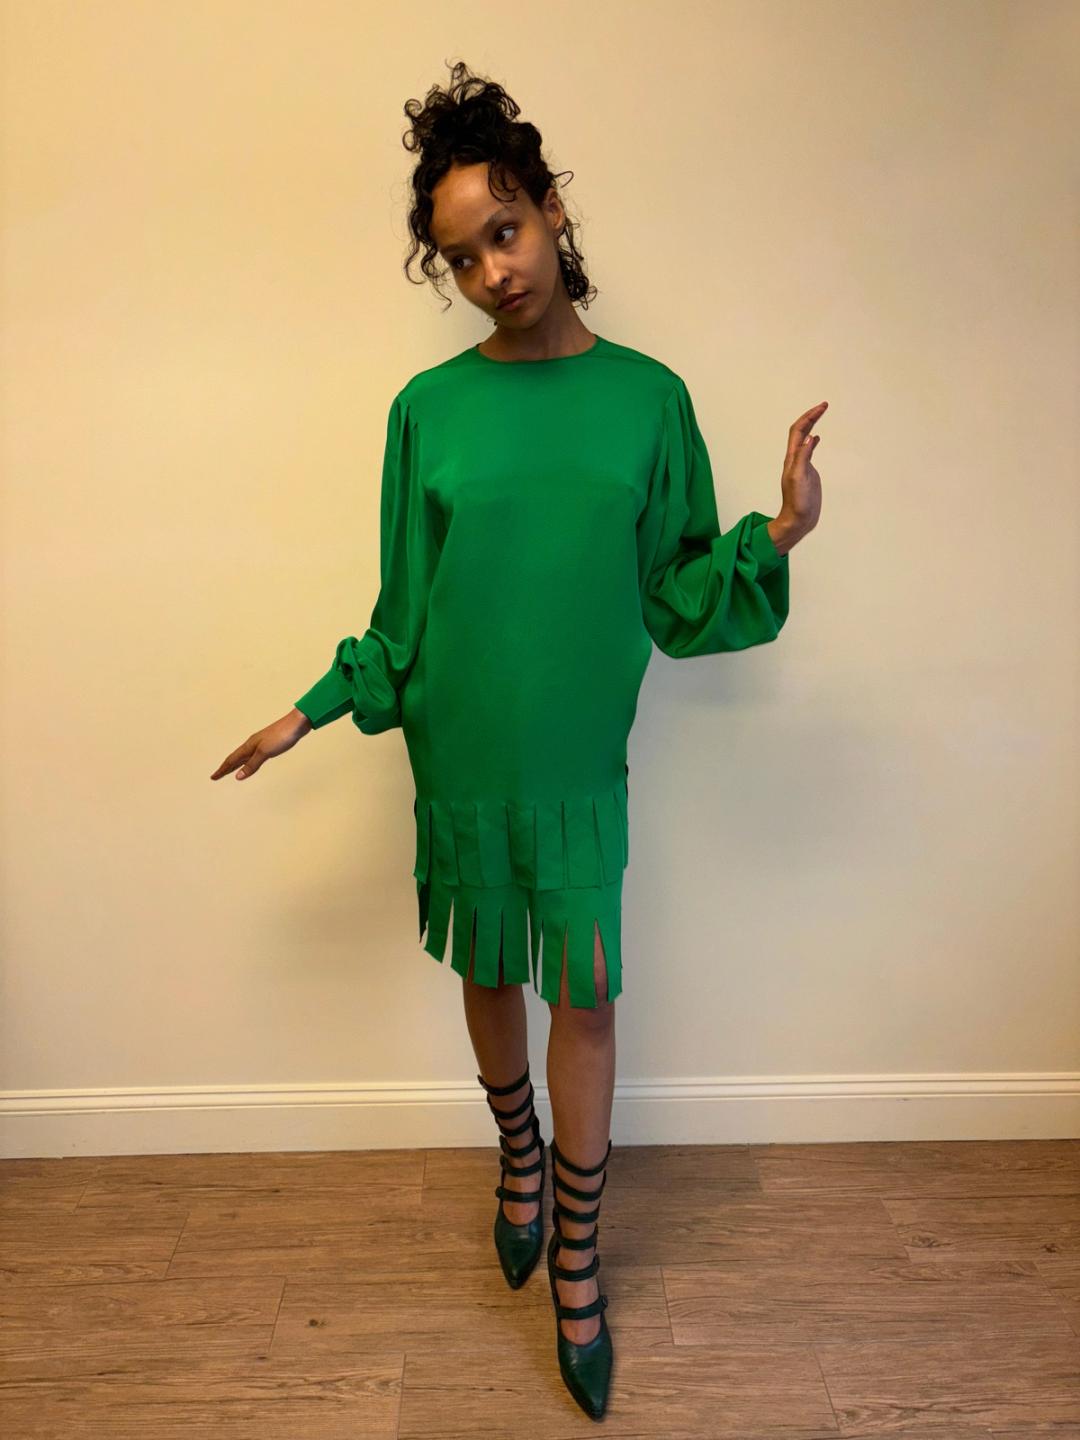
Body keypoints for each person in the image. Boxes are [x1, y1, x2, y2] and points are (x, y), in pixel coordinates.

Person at [211, 59, 824, 1423]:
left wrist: (777, 535)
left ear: (549, 208)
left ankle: (581, 1259)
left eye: (505, 230)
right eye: (461, 256)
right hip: (463, 754)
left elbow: (677, 593)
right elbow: (406, 616)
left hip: (574, 764)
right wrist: (308, 711)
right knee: (490, 964)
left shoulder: (649, 400)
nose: (493, 269)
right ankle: (517, 1157)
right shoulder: (425, 412)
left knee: (585, 994)